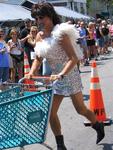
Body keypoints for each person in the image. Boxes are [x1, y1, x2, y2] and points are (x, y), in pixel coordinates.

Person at [27, 3, 105, 150]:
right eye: (36, 18)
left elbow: (73, 58)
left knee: (81, 109)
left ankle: (98, 124)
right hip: (55, 78)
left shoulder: (60, 34)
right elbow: (38, 58)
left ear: (50, 16)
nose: (39, 21)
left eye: (41, 17)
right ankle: (60, 145)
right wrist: (31, 72)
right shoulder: (39, 35)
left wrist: (61, 74)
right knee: (51, 112)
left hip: (69, 75)